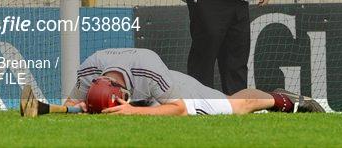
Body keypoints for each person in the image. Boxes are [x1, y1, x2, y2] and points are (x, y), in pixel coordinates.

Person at [20, 48, 325, 117]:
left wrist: (133, 112)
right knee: (231, 98)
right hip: (146, 94)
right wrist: (55, 109)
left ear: (125, 93)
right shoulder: (90, 71)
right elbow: (76, 103)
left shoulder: (148, 68)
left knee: (236, 105)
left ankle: (286, 100)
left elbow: (177, 108)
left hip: (176, 90)